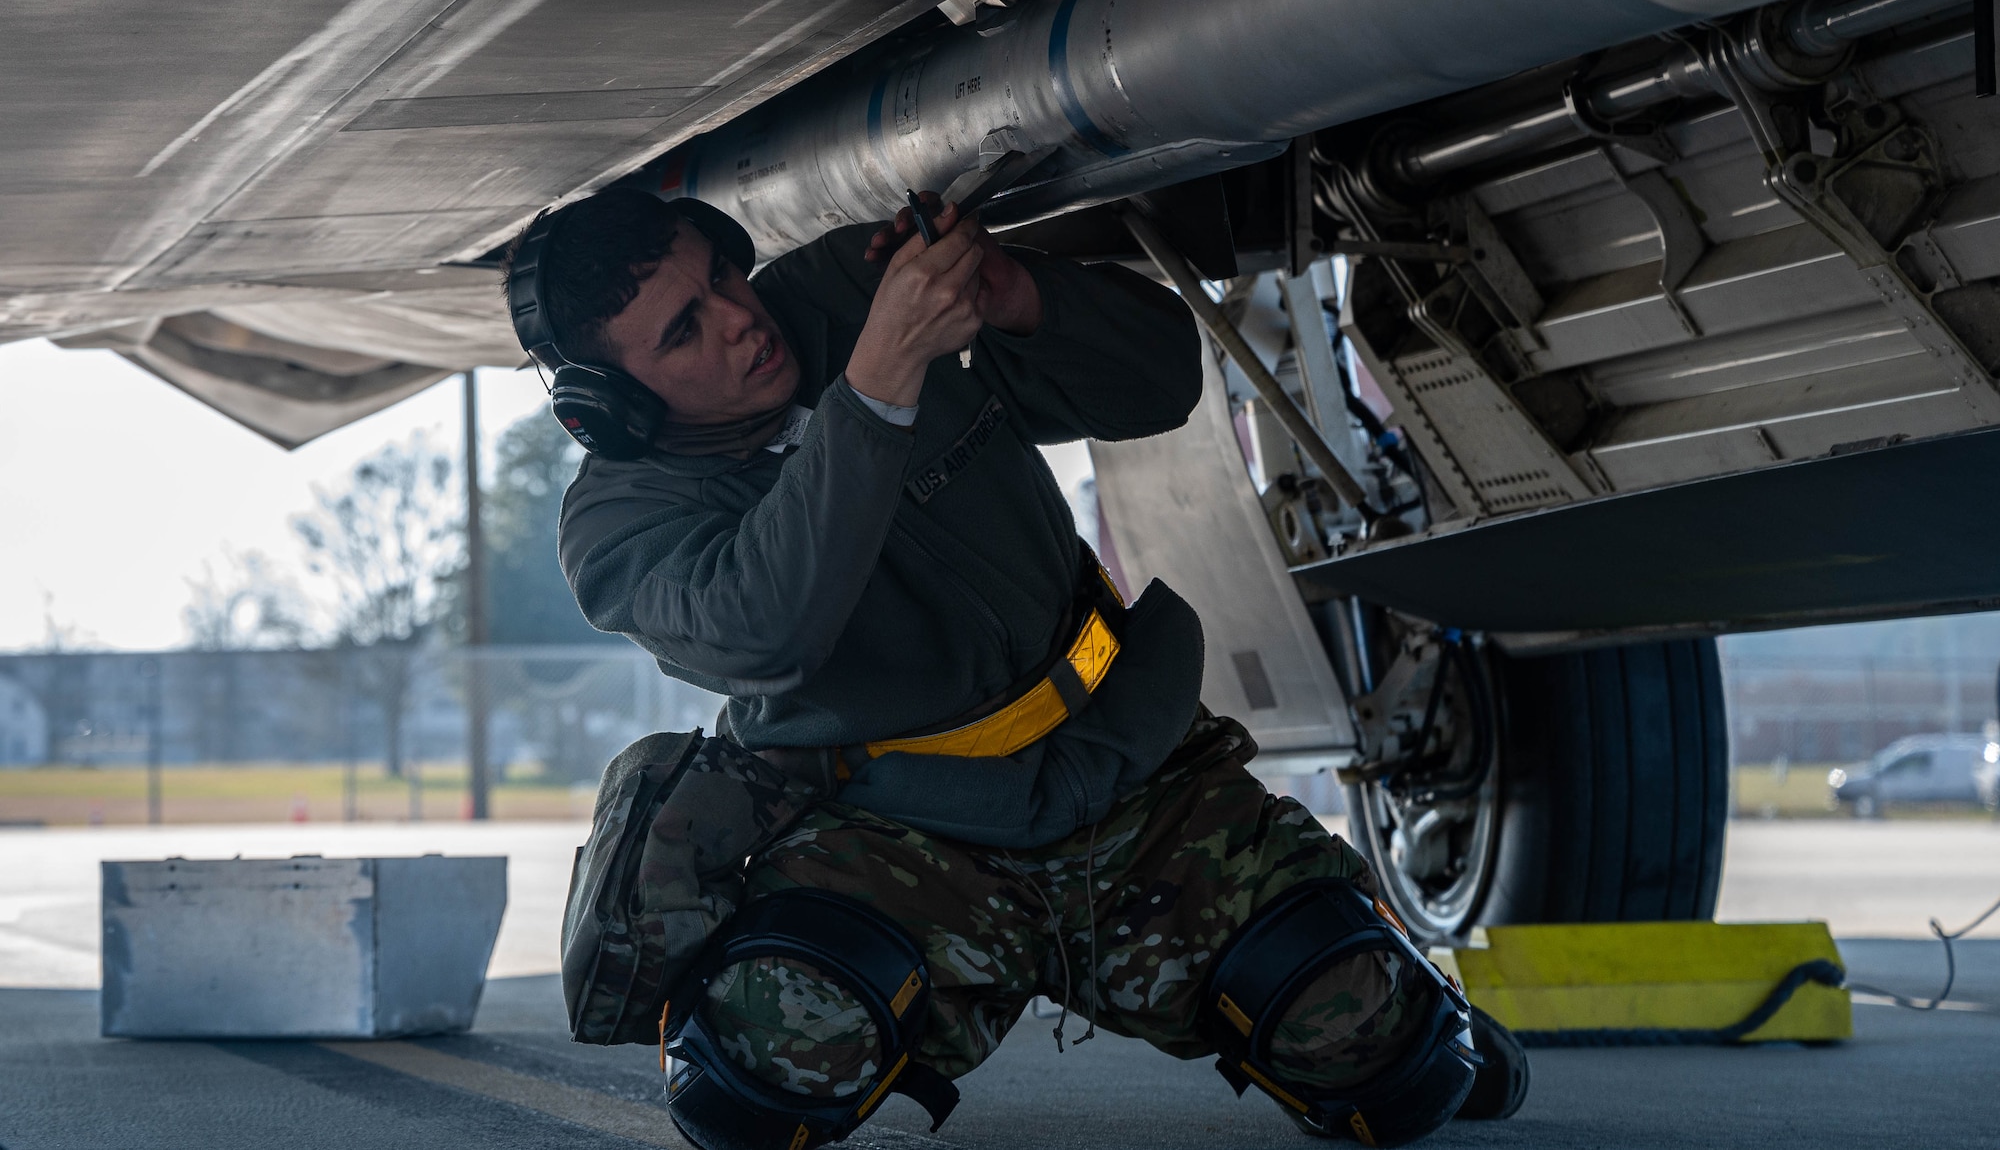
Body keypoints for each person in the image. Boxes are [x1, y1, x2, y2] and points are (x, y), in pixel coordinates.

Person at [511, 187, 1524, 1146]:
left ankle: (1423, 1009)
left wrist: (1019, 296)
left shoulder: (837, 293)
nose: (737, 319)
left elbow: (1164, 380)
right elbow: (766, 629)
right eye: (681, 332)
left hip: (1132, 779)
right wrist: (880, 379)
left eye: (719, 279)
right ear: (609, 402)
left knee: (1395, 1064)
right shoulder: (618, 522)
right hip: (904, 837)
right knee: (757, 1080)